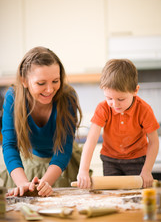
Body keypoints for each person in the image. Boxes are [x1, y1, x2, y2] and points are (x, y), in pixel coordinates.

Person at [1, 46, 82, 197]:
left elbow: (63, 149)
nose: (50, 89)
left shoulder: (68, 97)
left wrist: (45, 183)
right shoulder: (12, 97)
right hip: (28, 164)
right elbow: (9, 145)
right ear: (24, 81)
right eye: (41, 83)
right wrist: (23, 183)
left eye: (55, 81)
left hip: (62, 166)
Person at [77, 59, 160, 189]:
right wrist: (83, 170)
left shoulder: (144, 110)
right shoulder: (103, 108)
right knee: (112, 195)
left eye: (120, 99)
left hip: (137, 160)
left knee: (136, 196)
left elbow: (154, 142)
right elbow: (91, 139)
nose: (114, 104)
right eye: (109, 98)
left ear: (135, 91)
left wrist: (147, 170)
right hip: (110, 160)